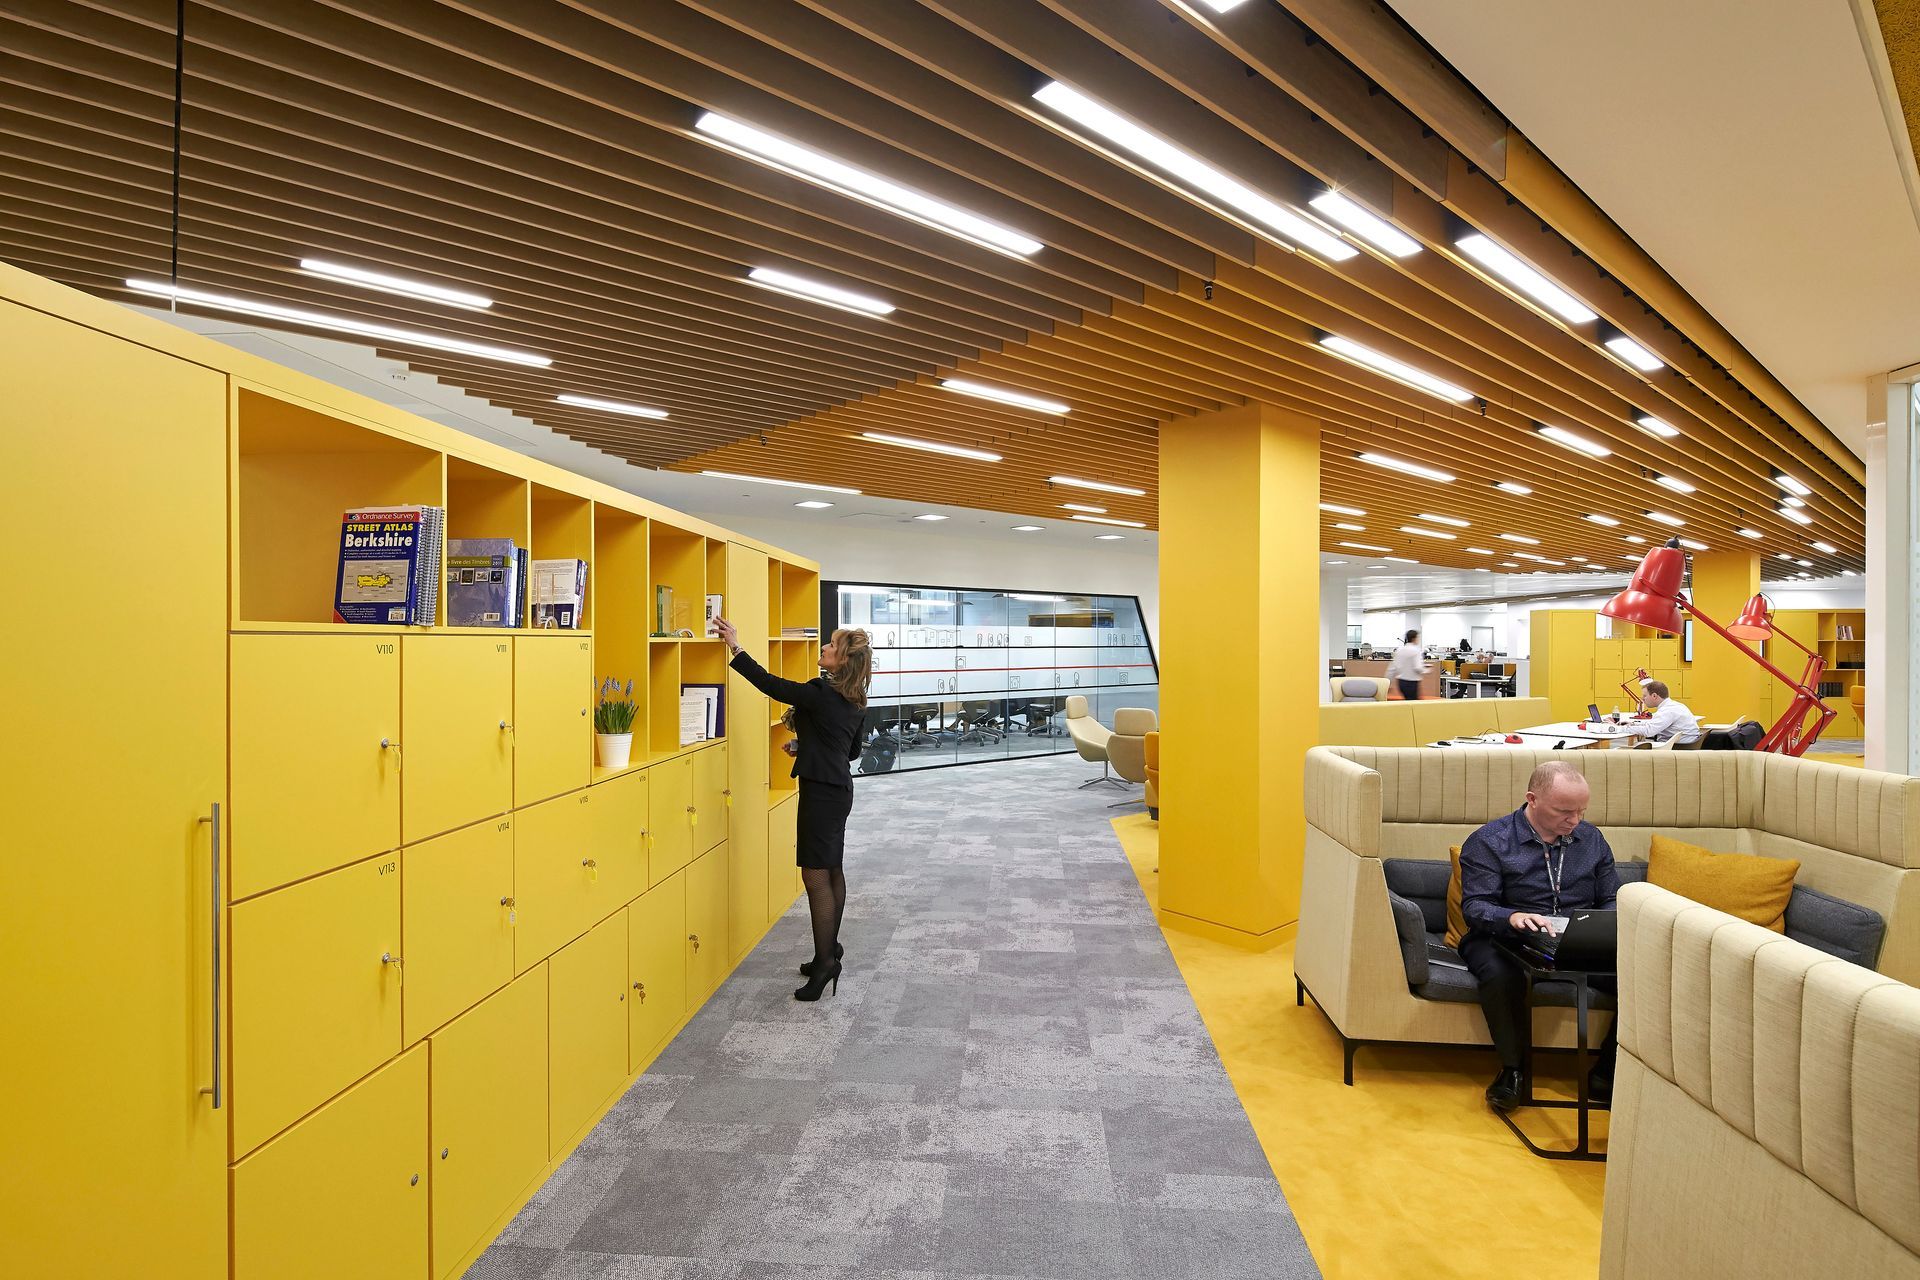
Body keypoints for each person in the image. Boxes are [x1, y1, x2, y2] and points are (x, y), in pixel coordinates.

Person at [712, 617, 873, 1001]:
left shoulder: (819, 692)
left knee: (814, 875)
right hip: (838, 791)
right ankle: (829, 948)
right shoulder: (854, 700)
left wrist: (735, 645)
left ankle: (824, 964)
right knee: (831, 868)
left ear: (841, 662)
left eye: (831, 647)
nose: (824, 648)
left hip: (821, 794)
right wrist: (807, 747)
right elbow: (848, 751)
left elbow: (771, 685)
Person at [1457, 761, 1620, 1111]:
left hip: (1577, 936)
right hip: (1506, 937)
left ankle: (1606, 1073)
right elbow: (1476, 906)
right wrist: (1513, 916)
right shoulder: (1490, 841)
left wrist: (1606, 920)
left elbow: (1610, 895)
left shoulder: (1591, 839)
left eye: (1581, 810)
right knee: (1500, 974)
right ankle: (1513, 1071)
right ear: (1532, 799)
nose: (1574, 821)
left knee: (1643, 978)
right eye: (1564, 811)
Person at [1637, 680, 1701, 744]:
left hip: (1677, 747)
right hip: (1687, 744)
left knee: (1637, 746)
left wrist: (1627, 728)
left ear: (1654, 696)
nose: (1643, 698)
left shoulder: (1667, 710)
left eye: (1645, 696)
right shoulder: (1676, 705)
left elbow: (1648, 731)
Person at [1385, 629, 1427, 700]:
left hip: (1401, 682)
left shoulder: (1399, 650)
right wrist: (1426, 670)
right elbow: (1418, 668)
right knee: (1414, 704)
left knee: (1407, 701)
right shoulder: (1416, 650)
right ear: (1414, 638)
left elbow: (1392, 669)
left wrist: (1387, 684)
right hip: (1412, 683)